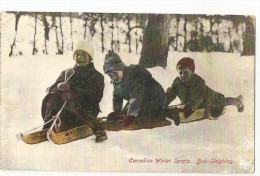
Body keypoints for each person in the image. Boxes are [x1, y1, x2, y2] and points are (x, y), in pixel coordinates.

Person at [41, 41, 107, 143]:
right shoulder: (67, 73)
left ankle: (98, 129)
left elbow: (95, 97)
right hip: (66, 115)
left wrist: (74, 92)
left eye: (83, 54)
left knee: (71, 98)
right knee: (52, 97)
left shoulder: (97, 76)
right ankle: (48, 126)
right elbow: (51, 89)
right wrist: (58, 87)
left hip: (86, 114)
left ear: (90, 57)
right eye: (77, 54)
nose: (79, 57)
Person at [103, 50, 180, 127]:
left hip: (156, 98)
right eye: (110, 75)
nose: (113, 77)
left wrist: (131, 116)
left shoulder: (134, 75)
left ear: (121, 68)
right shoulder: (117, 80)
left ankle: (170, 112)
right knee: (125, 114)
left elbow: (137, 95)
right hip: (142, 100)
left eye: (115, 73)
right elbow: (117, 95)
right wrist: (117, 111)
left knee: (141, 116)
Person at [165, 57, 244, 120]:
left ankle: (238, 101)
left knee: (223, 101)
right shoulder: (177, 82)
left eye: (185, 72)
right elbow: (172, 92)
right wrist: (164, 102)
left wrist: (190, 108)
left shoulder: (198, 82)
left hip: (211, 100)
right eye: (180, 73)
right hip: (195, 103)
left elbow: (197, 97)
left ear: (192, 72)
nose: (182, 75)